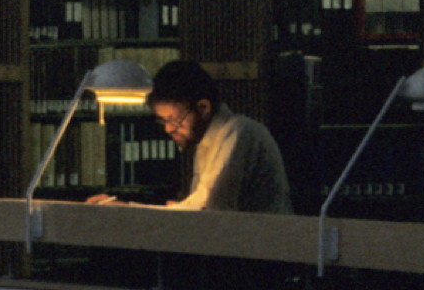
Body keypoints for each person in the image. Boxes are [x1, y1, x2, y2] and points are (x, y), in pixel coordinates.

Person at [87, 59, 292, 214]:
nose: (168, 129)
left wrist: (127, 208)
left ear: (203, 108)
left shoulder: (238, 133)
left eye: (174, 120)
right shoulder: (210, 139)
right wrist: (125, 207)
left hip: (259, 254)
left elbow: (210, 212)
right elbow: (197, 209)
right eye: (163, 121)